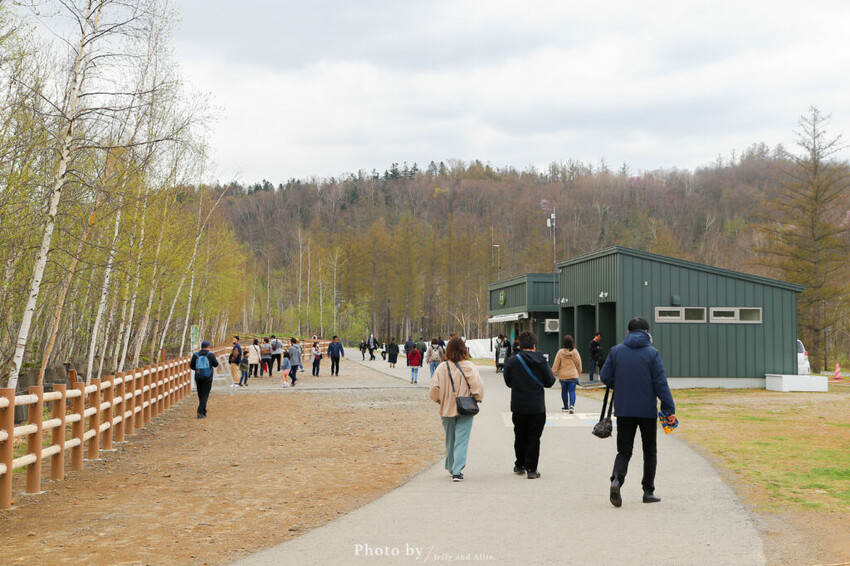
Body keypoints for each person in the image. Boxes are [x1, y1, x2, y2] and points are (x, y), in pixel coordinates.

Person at [602, 317, 676, 508]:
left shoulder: (616, 351)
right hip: (647, 411)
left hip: (624, 409)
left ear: (628, 332)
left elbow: (605, 376)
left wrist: (620, 384)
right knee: (649, 451)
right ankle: (648, 491)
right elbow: (661, 383)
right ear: (647, 332)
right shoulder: (652, 353)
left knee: (624, 451)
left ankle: (616, 480)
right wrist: (668, 409)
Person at [429, 337, 484, 482]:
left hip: (446, 407)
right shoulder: (469, 366)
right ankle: (457, 471)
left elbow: (434, 388)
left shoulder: (442, 367)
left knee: (450, 438)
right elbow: (478, 386)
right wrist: (477, 398)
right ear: (464, 350)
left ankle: (451, 466)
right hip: (466, 407)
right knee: (461, 439)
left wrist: (439, 400)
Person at [503, 331, 556, 479]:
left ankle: (520, 464)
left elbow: (508, 382)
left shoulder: (512, 361)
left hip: (519, 405)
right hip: (537, 406)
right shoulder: (541, 361)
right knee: (534, 438)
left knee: (520, 435)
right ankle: (532, 469)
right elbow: (550, 382)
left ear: (520, 345)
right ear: (534, 345)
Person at [552, 335, 582, 413]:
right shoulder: (575, 352)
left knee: (564, 391)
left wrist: (552, 373)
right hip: (573, 375)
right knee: (572, 391)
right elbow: (578, 363)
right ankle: (571, 406)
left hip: (563, 375)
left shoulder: (560, 352)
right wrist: (579, 372)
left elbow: (556, 364)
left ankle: (565, 407)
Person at [190, 340, 219, 418]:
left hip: (198, 377)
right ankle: (200, 412)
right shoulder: (211, 355)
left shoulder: (196, 355)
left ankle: (203, 411)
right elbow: (216, 364)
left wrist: (199, 370)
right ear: (208, 347)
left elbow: (191, 366)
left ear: (201, 347)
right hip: (208, 377)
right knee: (205, 394)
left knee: (200, 394)